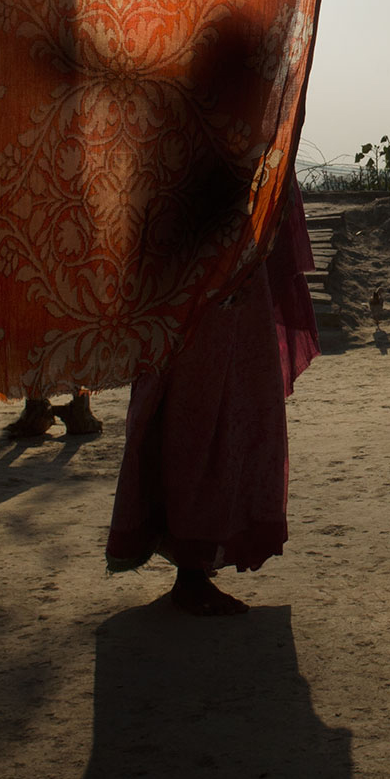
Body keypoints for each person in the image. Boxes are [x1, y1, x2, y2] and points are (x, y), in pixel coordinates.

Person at [105, 182, 319, 616]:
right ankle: (191, 570)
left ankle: (194, 565)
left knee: (211, 414)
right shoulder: (203, 131)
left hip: (215, 266)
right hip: (205, 269)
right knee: (199, 417)